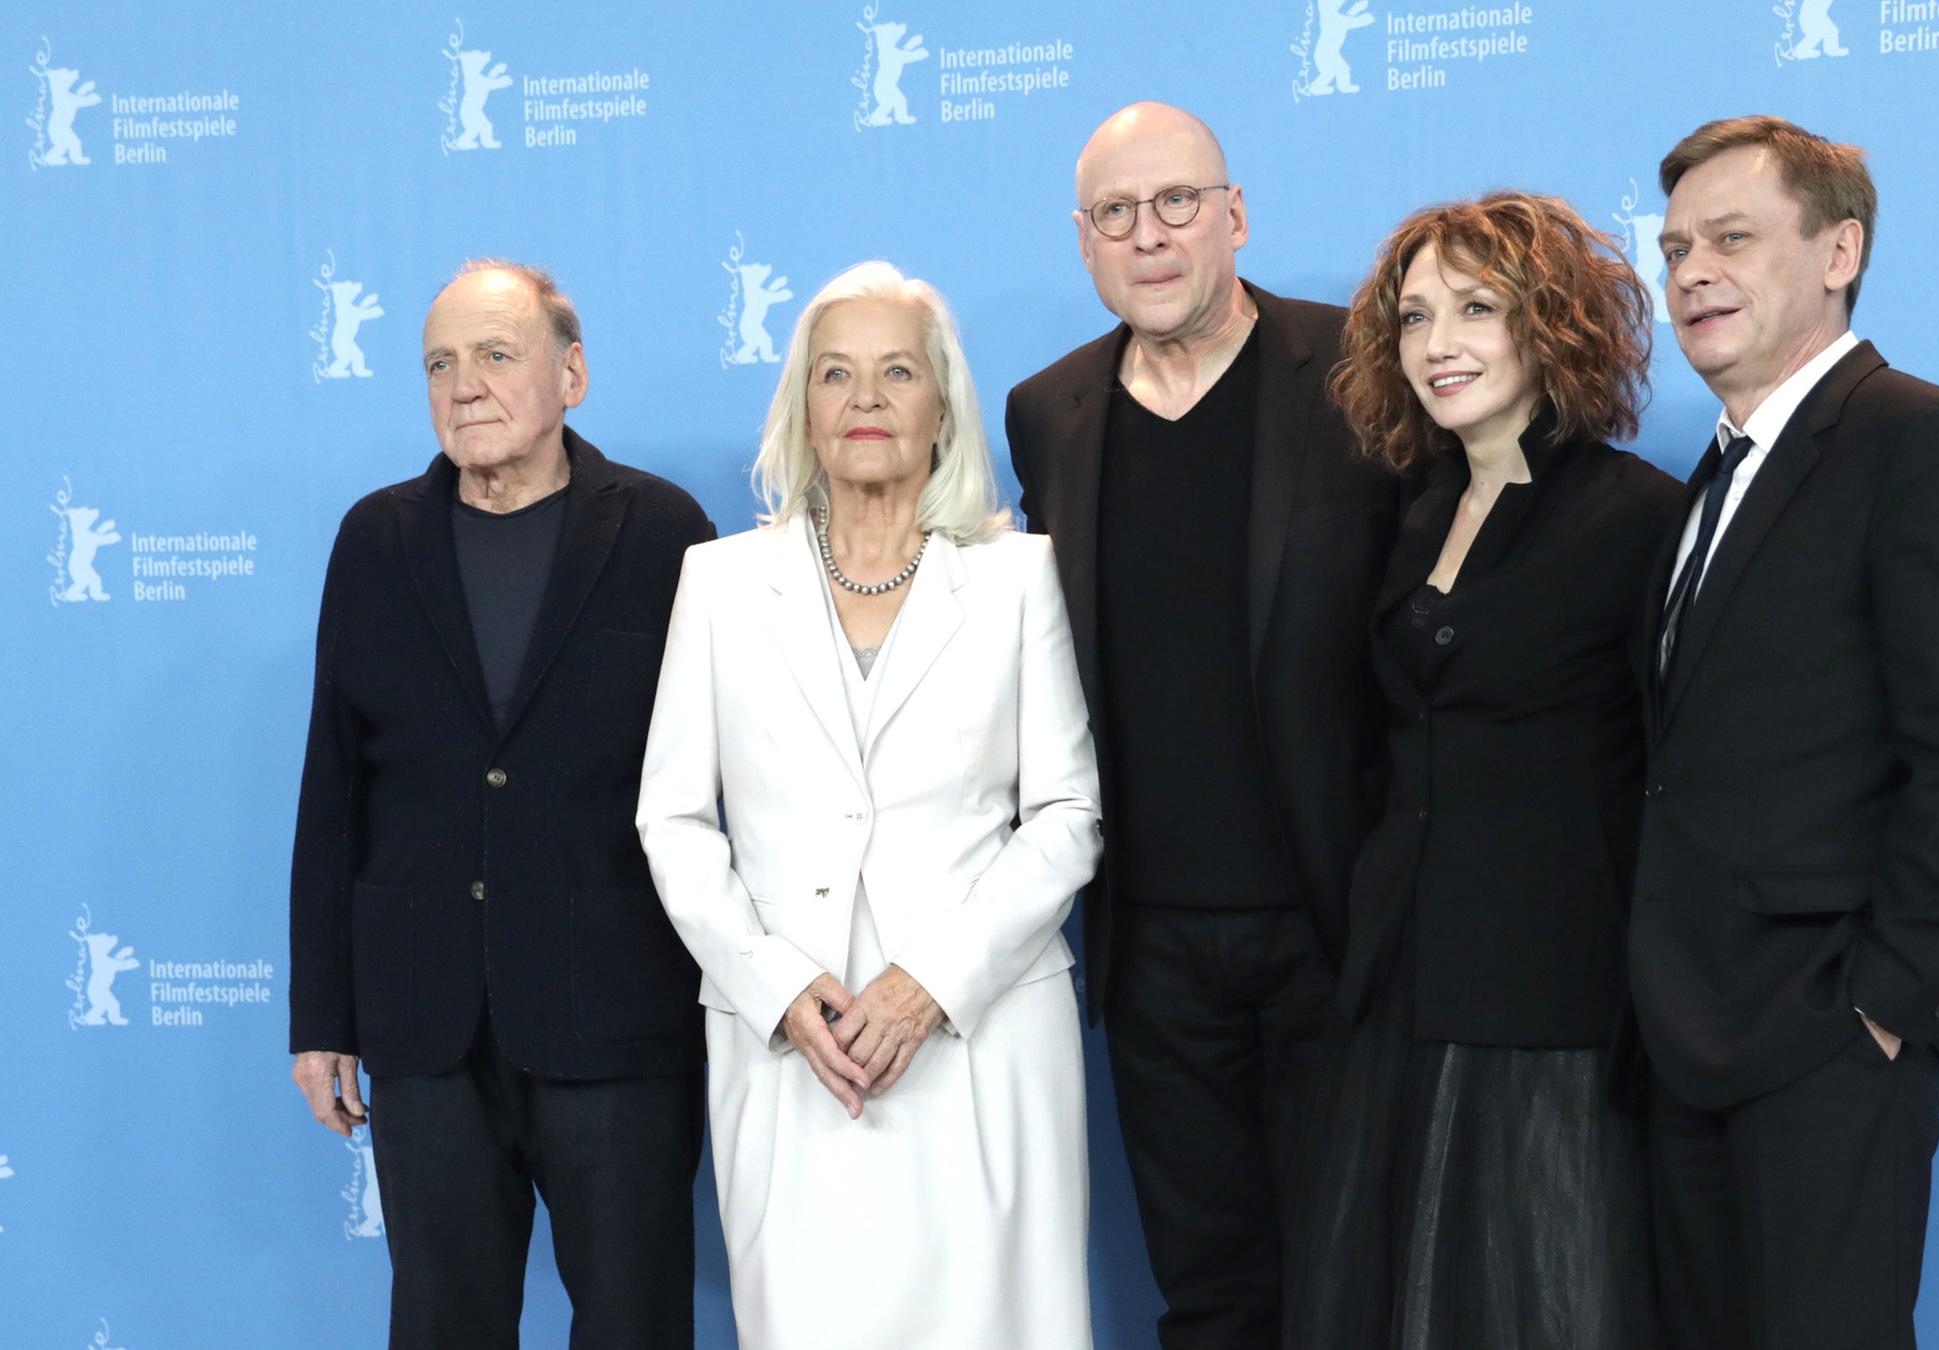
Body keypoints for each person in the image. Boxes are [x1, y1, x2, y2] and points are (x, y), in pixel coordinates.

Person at [1627, 115, 1939, 1350]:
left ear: (1839, 249)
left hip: (1824, 1041)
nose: (1692, 270)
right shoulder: (1711, 478)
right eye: (1676, 246)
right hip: (1682, 1036)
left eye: (1734, 238)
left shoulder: (1919, 440)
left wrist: (1881, 1010)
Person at [637, 261, 1101, 1350]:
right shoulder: (717, 581)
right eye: (836, 375)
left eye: (898, 371)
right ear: (803, 408)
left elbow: (1067, 815)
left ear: (943, 404)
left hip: (980, 1035)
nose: (866, 399)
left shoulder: (1016, 577)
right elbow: (674, 822)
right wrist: (780, 985)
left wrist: (929, 984)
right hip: (796, 1041)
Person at [1004, 101, 1400, 1349]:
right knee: (1212, 1297)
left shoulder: (1359, 368)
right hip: (1153, 941)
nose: (1150, 235)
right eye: (1116, 214)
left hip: (1338, 926)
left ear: (1236, 215)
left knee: (1363, 1290)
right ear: (1084, 244)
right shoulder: (1048, 411)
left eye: (1177, 202)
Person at [287, 260, 716, 1349]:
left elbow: (722, 778)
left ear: (570, 373)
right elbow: (334, 786)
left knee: (634, 1325)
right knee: (441, 1326)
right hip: (426, 1026)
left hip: (618, 1018)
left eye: (494, 354)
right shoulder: (374, 541)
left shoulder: (668, 532)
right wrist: (323, 1018)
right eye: (439, 362)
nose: (463, 384)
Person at [1288, 191, 1682, 1348]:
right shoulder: (1417, 515)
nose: (1438, 345)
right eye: (1414, 319)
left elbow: (1680, 773)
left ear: (1551, 323)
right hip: (1398, 988)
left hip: (1552, 1008)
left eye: (1474, 309)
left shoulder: (1636, 517)